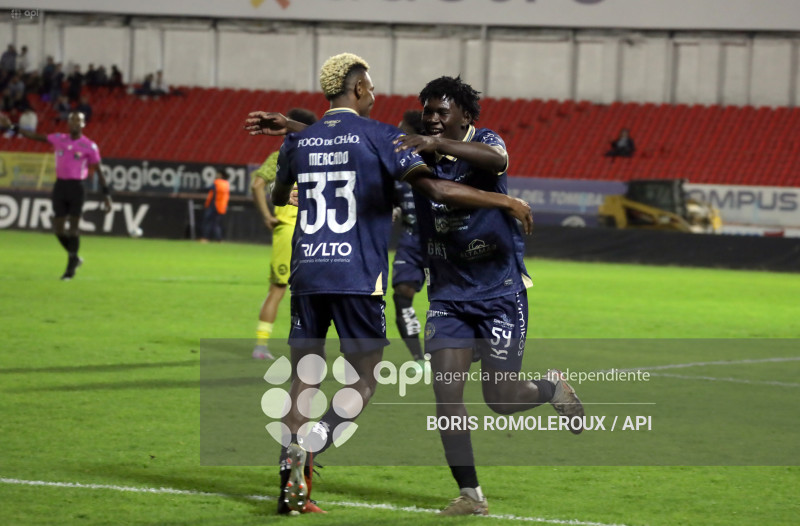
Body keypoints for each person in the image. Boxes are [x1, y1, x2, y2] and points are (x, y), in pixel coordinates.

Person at [243, 52, 533, 516]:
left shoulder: (301, 143)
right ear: (358, 90)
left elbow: (281, 191)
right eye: (372, 87)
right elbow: (435, 189)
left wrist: (292, 131)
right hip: (356, 277)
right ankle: (313, 447)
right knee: (363, 379)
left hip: (309, 273)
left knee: (303, 379)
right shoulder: (382, 136)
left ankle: (291, 482)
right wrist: (507, 202)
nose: (376, 95)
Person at [394, 76, 585, 516]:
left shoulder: (484, 142)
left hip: (499, 292)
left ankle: (552, 387)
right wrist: (507, 203)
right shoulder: (412, 152)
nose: (434, 118)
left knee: (500, 400)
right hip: (448, 297)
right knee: (446, 395)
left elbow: (495, 159)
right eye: (429, 112)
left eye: (443, 112)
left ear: (466, 116)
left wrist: (440, 144)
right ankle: (471, 496)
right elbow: (438, 191)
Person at [0, 111, 112, 280]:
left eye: (78, 121)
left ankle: (70, 270)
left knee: (73, 228)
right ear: (67, 124)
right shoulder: (59, 138)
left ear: (83, 124)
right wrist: (13, 127)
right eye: (71, 120)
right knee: (58, 228)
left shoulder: (89, 146)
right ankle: (74, 257)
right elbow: (35, 136)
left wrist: (106, 195)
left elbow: (99, 171)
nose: (74, 123)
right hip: (60, 186)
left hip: (77, 187)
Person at [250, 108, 318, 361]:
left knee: (277, 290)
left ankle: (261, 346)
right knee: (311, 293)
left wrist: (267, 215)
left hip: (287, 230)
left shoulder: (281, 154)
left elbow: (257, 183)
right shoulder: (323, 155)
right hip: (315, 232)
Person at [392, 109, 426, 362]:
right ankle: (418, 358)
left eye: (402, 127)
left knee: (450, 300)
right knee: (402, 293)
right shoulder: (395, 160)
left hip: (444, 241)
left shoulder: (438, 159)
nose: (397, 130)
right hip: (412, 239)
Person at [199, 170, 230, 242]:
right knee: (216, 224)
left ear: (221, 175)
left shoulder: (217, 182)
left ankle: (205, 238)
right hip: (221, 206)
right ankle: (219, 239)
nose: (216, 175)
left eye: (218, 174)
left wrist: (199, 189)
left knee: (207, 222)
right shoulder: (226, 184)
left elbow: (209, 189)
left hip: (214, 206)